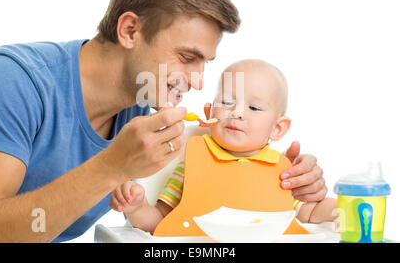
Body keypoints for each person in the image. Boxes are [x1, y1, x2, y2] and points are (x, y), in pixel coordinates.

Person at [0, 0, 326, 243]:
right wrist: (111, 166)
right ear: (130, 30)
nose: (197, 80)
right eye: (188, 57)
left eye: (206, 63)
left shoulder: (140, 109)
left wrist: (290, 182)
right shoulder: (12, 82)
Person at [109, 59, 338, 235]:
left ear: (278, 129)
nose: (237, 112)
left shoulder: (283, 174)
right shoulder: (193, 166)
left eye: (254, 108)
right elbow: (161, 221)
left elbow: (310, 213)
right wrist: (137, 208)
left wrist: (342, 210)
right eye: (227, 102)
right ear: (209, 114)